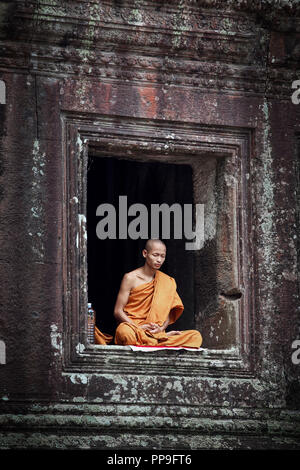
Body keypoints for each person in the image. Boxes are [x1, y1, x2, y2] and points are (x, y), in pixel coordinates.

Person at [113, 239, 202, 348]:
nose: (159, 260)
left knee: (195, 336)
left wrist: (161, 329)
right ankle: (156, 342)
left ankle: (153, 341)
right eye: (155, 255)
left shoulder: (167, 281)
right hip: (134, 329)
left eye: (162, 256)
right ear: (145, 254)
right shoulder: (130, 278)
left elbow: (169, 311)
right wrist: (138, 328)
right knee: (124, 332)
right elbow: (118, 311)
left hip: (155, 332)